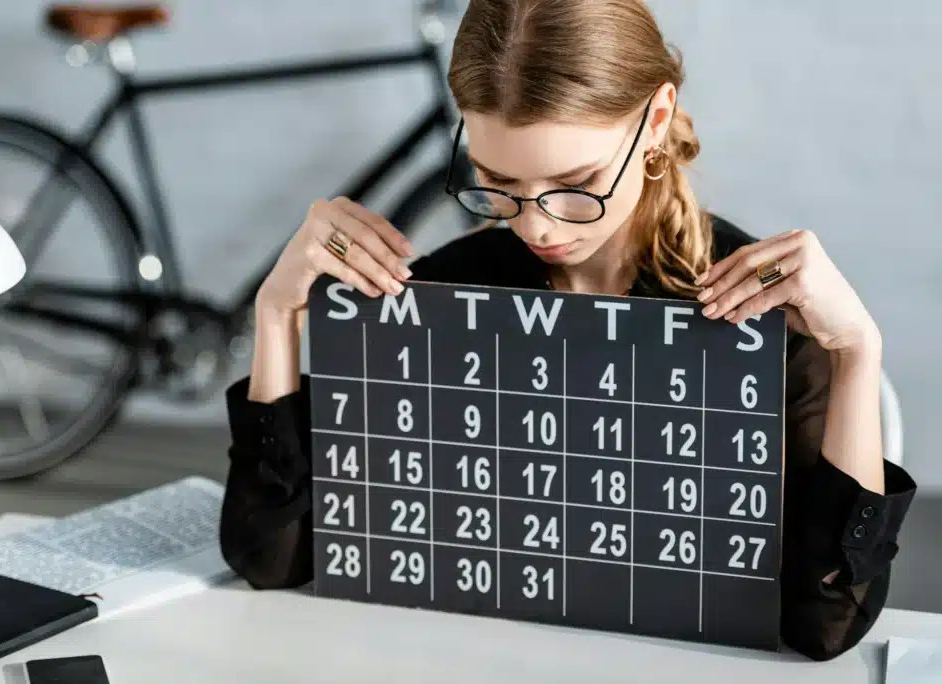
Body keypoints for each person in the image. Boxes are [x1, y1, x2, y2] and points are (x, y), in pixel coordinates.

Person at [217, 0, 916, 662]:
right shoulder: (440, 300)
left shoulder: (759, 323)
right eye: (497, 183)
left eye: (575, 183)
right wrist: (277, 317)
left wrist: (856, 353)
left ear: (655, 118)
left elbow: (826, 626)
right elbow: (274, 561)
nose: (537, 226)